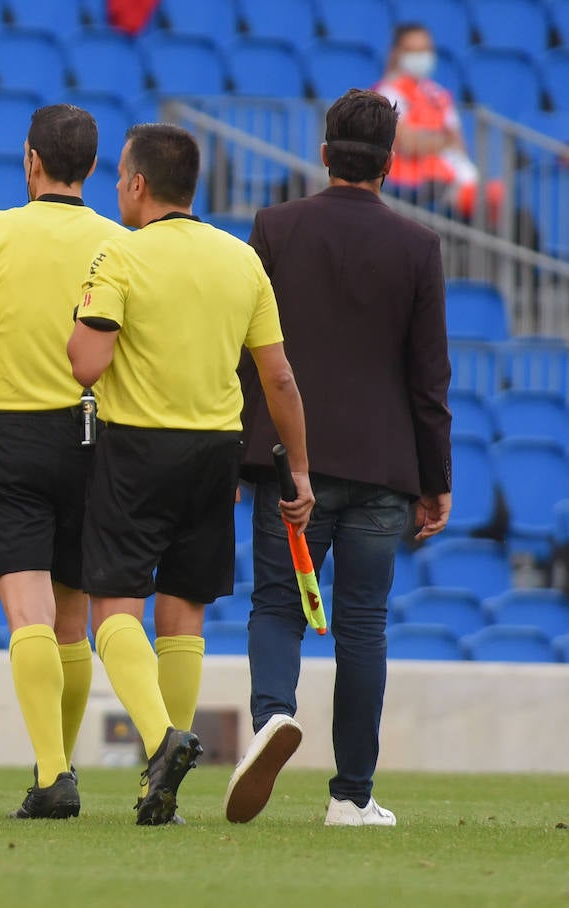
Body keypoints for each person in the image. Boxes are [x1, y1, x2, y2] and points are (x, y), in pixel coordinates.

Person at [67, 123, 313, 826]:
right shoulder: (242, 260)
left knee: (113, 610)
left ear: (138, 184)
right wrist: (299, 469)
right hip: (216, 452)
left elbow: (86, 364)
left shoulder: (120, 253)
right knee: (184, 615)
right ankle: (162, 793)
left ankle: (162, 742)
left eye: (121, 176)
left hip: (137, 447)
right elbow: (279, 377)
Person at [225, 90, 452, 828]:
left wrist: (237, 457)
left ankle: (272, 717)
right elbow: (429, 378)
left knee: (276, 606)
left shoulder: (275, 228)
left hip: (292, 464)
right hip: (385, 469)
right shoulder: (419, 246)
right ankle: (352, 796)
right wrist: (436, 480)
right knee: (363, 625)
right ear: (391, 162)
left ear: (324, 153)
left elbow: (248, 355)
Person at [0, 104, 125, 820]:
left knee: (28, 615)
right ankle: (58, 768)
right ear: (92, 168)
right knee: (74, 621)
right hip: (94, 436)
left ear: (31, 160)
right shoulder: (120, 243)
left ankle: (51, 774)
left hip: (10, 437)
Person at [375, 23, 503, 223]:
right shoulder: (388, 92)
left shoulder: (438, 94)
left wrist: (429, 140)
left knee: (502, 202)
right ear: (397, 53)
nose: (420, 57)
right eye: (413, 51)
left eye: (425, 50)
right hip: (413, 183)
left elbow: (458, 143)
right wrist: (443, 140)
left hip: (449, 178)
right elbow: (407, 142)